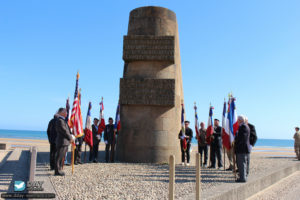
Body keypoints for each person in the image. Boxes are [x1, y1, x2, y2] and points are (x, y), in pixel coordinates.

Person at [54, 108, 74, 176]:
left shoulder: (62, 120)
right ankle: (57, 171)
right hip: (62, 141)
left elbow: (67, 130)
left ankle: (59, 169)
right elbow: (64, 130)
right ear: (61, 112)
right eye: (65, 111)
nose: (67, 113)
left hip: (64, 141)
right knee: (59, 156)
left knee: (61, 156)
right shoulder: (60, 120)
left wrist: (70, 135)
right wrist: (70, 137)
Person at [234, 115, 250, 182]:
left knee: (242, 163)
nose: (237, 121)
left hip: (242, 149)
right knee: (241, 163)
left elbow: (242, 138)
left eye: (237, 120)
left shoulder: (243, 127)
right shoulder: (243, 126)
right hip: (242, 148)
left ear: (240, 120)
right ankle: (242, 176)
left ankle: (242, 178)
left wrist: (236, 143)